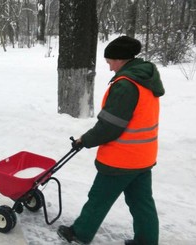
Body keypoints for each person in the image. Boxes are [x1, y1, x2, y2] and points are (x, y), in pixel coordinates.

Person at [57, 36, 165, 245]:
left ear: (120, 59)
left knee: (99, 198)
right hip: (143, 157)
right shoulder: (146, 80)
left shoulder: (126, 85)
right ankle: (147, 241)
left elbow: (109, 127)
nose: (109, 67)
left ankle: (79, 234)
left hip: (121, 158)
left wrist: (84, 140)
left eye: (109, 62)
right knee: (142, 203)